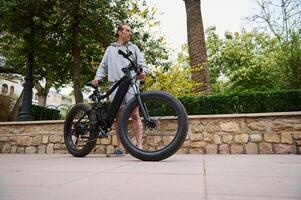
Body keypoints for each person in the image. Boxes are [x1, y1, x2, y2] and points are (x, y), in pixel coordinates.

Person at [91, 23, 148, 156]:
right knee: (119, 117)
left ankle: (139, 146)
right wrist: (97, 78)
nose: (130, 33)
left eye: (130, 31)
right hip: (115, 85)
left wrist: (143, 72)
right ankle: (120, 148)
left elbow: (142, 65)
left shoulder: (134, 48)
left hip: (131, 84)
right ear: (120, 32)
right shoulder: (110, 49)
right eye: (127, 30)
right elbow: (103, 66)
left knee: (135, 115)